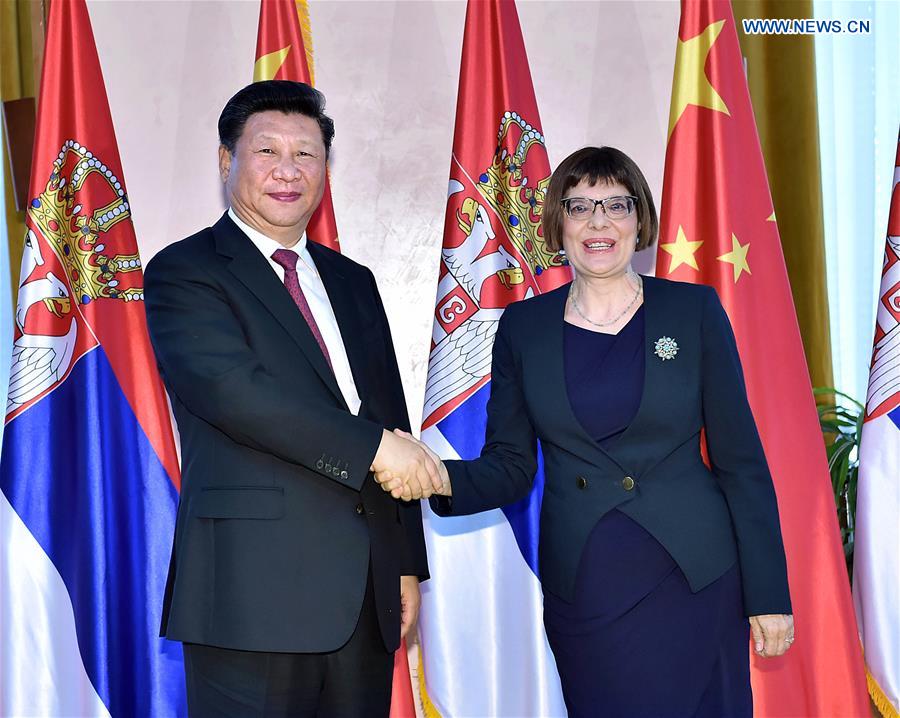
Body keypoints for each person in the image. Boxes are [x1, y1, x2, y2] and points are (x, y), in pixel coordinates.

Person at [378, 146, 795, 717]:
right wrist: (432, 475)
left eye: (616, 205)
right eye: (580, 207)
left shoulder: (693, 312)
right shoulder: (524, 328)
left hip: (696, 576)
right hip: (590, 580)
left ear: (639, 220)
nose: (599, 222)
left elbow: (741, 463)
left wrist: (769, 595)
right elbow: (510, 464)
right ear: (559, 224)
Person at [144, 80, 442, 718]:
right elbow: (237, 395)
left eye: (306, 155)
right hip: (251, 597)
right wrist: (375, 449)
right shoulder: (185, 271)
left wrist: (406, 562)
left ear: (325, 169)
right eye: (267, 152)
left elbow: (390, 417)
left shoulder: (352, 282)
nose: (288, 171)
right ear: (227, 162)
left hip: (364, 597)